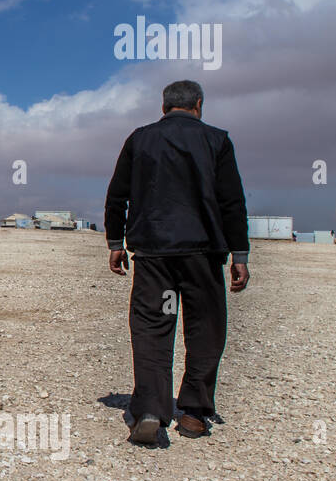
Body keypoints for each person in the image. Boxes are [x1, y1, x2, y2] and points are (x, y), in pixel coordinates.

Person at [104, 80, 249, 444]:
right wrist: (240, 254)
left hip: (154, 256)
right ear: (198, 104)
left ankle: (151, 408)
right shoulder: (216, 140)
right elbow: (232, 201)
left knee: (153, 327)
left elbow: (117, 194)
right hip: (202, 255)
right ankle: (195, 414)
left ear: (163, 105)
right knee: (204, 328)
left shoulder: (140, 139)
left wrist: (115, 242)